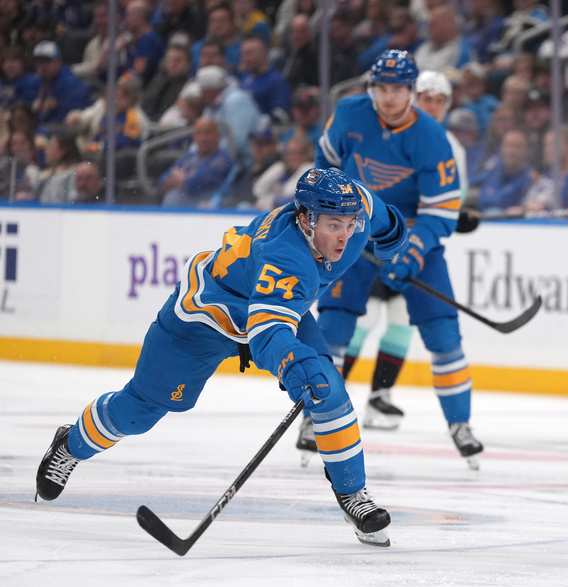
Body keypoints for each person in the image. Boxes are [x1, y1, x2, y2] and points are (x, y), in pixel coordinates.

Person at [36, 167, 409, 548]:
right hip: (204, 318)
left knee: (329, 388)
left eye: (350, 224)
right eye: (333, 225)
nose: (345, 236)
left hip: (272, 306)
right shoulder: (285, 258)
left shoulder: (356, 203)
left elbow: (384, 221)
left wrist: (394, 237)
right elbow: (267, 336)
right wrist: (296, 365)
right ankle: (71, 445)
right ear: (304, 220)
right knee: (141, 409)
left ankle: (352, 495)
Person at [305, 49, 484, 468]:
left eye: (398, 89)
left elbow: (440, 211)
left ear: (410, 91)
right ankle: (315, 418)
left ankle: (460, 424)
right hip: (353, 231)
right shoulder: (349, 113)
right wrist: (326, 219)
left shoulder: (432, 137)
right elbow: (324, 166)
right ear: (372, 88)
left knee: (443, 335)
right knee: (332, 326)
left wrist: (414, 249)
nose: (389, 97)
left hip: (410, 235)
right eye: (382, 88)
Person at [332, 70, 465, 435]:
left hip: (414, 246)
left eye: (440, 101)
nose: (432, 106)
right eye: (427, 99)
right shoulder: (390, 130)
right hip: (379, 239)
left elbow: (450, 200)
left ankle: (380, 394)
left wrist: (460, 212)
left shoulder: (447, 144)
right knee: (365, 317)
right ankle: (331, 394)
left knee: (401, 321)